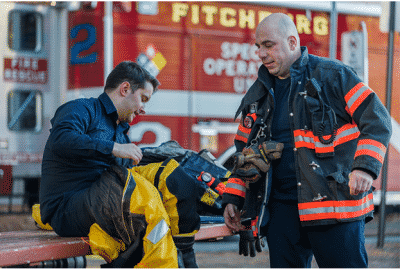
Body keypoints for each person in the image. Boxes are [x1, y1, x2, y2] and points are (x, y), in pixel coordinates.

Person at [222, 13, 392, 268]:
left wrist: (364, 167)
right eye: (258, 47)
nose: (261, 53)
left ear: (292, 42)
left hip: (335, 210)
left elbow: (377, 121)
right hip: (282, 215)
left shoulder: (333, 76)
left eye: (268, 45)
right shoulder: (258, 95)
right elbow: (244, 152)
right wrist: (234, 198)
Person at [38, 61, 200, 268]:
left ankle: (185, 257)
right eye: (143, 99)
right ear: (125, 89)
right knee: (143, 198)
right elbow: (62, 139)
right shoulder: (81, 108)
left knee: (171, 176)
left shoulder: (121, 132)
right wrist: (112, 147)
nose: (143, 109)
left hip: (103, 200)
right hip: (66, 208)